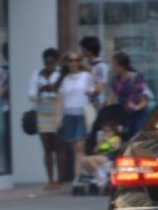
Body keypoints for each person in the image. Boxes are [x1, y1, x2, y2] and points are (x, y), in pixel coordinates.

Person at [55, 51, 98, 191]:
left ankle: (80, 176)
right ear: (66, 63)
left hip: (82, 114)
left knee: (80, 146)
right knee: (75, 149)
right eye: (71, 60)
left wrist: (92, 94)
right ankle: (79, 176)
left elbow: (93, 93)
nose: (74, 63)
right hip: (69, 114)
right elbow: (60, 99)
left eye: (76, 60)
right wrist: (57, 116)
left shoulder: (86, 76)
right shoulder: (64, 79)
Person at [29, 48, 63, 188]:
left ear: (56, 61)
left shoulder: (61, 74)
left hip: (56, 111)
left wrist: (53, 90)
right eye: (47, 62)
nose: (49, 65)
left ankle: (59, 180)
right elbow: (30, 94)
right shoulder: (37, 75)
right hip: (42, 112)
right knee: (47, 147)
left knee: (58, 147)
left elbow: (64, 92)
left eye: (52, 62)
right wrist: (40, 90)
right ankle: (50, 180)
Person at [108, 51, 150, 140]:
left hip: (138, 115)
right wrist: (107, 111)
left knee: (137, 138)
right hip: (124, 115)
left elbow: (144, 101)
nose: (112, 67)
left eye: (115, 65)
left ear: (122, 67)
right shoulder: (115, 79)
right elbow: (111, 97)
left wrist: (135, 107)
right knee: (125, 139)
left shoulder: (135, 78)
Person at [80, 35, 110, 107]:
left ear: (90, 50)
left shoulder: (100, 66)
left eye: (83, 48)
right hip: (86, 100)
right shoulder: (85, 64)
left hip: (97, 102)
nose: (82, 51)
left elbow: (100, 86)